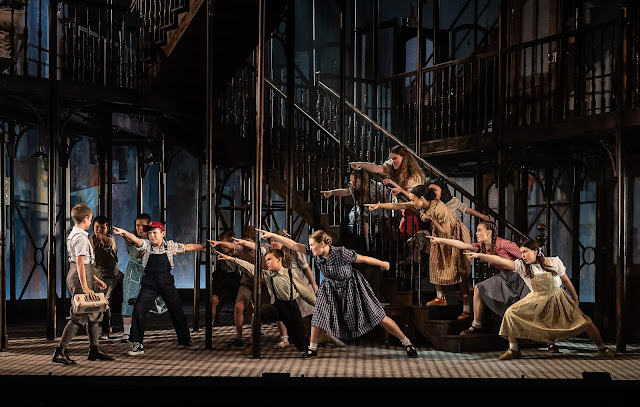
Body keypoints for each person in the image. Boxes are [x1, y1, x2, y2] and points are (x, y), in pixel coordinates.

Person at [258, 228, 419, 359]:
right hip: (329, 287)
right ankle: (312, 349)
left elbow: (362, 259)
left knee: (378, 316)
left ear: (322, 244)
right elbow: (293, 245)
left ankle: (407, 343)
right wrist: (271, 235)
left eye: (313, 245)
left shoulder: (341, 253)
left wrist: (383, 263)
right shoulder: (317, 253)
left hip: (351, 287)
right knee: (319, 315)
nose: (310, 248)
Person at [464, 239, 617, 360]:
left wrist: (575, 298)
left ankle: (602, 348)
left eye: (525, 252)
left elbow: (566, 281)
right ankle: (513, 350)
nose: (522, 255)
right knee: (511, 313)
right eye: (521, 252)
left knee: (585, 322)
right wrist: (478, 255)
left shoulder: (553, 262)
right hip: (536, 299)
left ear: (535, 251)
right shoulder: (522, 266)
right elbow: (501, 261)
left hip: (557, 298)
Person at [368, 184, 471, 319]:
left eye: (414, 200)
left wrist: (432, 218)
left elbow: (446, 231)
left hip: (454, 236)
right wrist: (379, 205)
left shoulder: (440, 209)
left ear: (422, 198)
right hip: (439, 236)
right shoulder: (423, 204)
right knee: (434, 261)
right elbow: (401, 206)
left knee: (460, 272)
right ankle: (440, 297)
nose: (412, 202)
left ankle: (466, 309)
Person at [113, 221, 206, 356]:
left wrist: (204, 246)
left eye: (154, 233)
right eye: (149, 233)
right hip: (150, 284)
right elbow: (136, 240)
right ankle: (138, 344)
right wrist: (124, 233)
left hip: (166, 283)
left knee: (177, 310)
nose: (151, 236)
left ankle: (185, 339)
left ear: (163, 234)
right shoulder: (146, 246)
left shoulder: (170, 246)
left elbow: (188, 247)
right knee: (139, 310)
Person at [427, 221, 530, 336]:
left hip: (520, 277)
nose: (476, 233)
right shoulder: (482, 246)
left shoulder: (505, 244)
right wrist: (441, 240)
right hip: (504, 276)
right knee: (479, 288)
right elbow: (462, 245)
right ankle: (476, 325)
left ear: (489, 232)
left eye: (479, 230)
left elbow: (525, 257)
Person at [216, 248, 316, 352]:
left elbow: (305, 293)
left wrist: (317, 305)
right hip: (278, 306)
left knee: (300, 344)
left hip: (291, 308)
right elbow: (251, 268)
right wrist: (233, 259)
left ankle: (311, 347)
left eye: (269, 259)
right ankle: (254, 345)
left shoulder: (290, 273)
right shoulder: (268, 275)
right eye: (266, 260)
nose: (266, 262)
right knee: (258, 313)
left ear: (279, 259)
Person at [52, 203, 114, 365]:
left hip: (83, 274)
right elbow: (80, 263)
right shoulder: (80, 237)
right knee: (78, 315)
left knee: (94, 312)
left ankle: (94, 349)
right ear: (86, 219)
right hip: (80, 277)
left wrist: (95, 279)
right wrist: (86, 287)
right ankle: (60, 351)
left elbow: (85, 264)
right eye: (91, 219)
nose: (90, 222)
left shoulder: (75, 234)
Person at [349, 145, 426, 240]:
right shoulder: (392, 167)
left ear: (403, 158)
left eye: (395, 158)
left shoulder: (414, 177)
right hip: (400, 207)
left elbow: (413, 198)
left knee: (407, 233)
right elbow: (376, 168)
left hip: (412, 208)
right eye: (391, 158)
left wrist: (394, 184)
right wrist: (360, 164)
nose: (393, 161)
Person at [209, 225, 268, 348]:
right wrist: (219, 242)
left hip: (262, 281)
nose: (245, 242)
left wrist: (244, 243)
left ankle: (258, 332)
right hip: (247, 281)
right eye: (244, 239)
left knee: (259, 309)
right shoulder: (241, 249)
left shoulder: (262, 248)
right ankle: (239, 337)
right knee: (238, 306)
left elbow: (258, 249)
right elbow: (231, 246)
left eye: (248, 240)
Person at [119, 214, 167, 343]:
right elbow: (132, 239)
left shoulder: (154, 238)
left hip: (150, 272)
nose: (140, 228)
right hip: (134, 272)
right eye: (137, 225)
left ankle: (139, 330)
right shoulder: (133, 238)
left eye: (143, 226)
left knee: (150, 301)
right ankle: (126, 332)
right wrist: (124, 234)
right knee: (128, 299)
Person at [321, 168, 386, 248]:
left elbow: (383, 199)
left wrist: (378, 205)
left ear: (362, 180)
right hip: (363, 210)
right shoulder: (353, 187)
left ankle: (381, 241)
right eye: (351, 181)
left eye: (355, 181)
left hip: (376, 208)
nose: (353, 184)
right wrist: (332, 192)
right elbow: (345, 191)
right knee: (361, 213)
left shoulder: (375, 187)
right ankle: (367, 241)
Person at [90, 215, 120, 340]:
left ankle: (104, 330)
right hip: (96, 274)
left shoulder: (111, 239)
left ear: (107, 228)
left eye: (102, 228)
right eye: (97, 227)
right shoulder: (91, 239)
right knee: (100, 301)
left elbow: (108, 244)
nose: (99, 230)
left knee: (102, 299)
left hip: (110, 275)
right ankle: (103, 327)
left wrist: (103, 237)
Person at [211, 230, 242, 326]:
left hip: (233, 277)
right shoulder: (218, 250)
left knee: (242, 298)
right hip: (221, 275)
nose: (222, 247)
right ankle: (212, 320)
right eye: (221, 245)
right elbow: (207, 249)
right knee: (215, 297)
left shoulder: (237, 252)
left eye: (224, 245)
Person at [0, 0, 26, 74]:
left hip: (2, 11)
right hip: (17, 12)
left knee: (4, 49)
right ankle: (17, 77)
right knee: (18, 53)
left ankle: (4, 76)